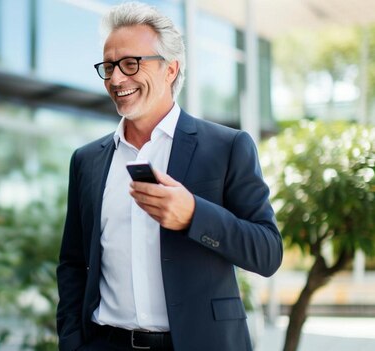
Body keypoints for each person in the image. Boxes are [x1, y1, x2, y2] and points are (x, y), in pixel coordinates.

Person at [56, 2, 283, 351]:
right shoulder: (87, 161)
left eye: (131, 64)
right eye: (110, 66)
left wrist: (194, 214)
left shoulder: (227, 147)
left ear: (170, 69)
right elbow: (73, 263)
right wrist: (72, 342)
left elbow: (267, 253)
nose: (116, 79)